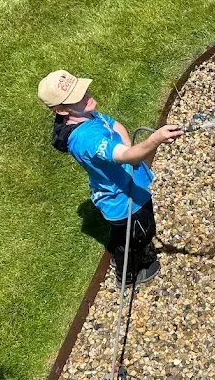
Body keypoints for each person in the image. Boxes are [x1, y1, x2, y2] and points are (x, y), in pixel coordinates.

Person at [37, 70, 183, 286]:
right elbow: (124, 156)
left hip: (128, 187)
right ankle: (128, 274)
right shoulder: (86, 139)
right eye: (78, 97)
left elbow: (114, 125)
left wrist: (128, 151)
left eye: (83, 90)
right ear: (61, 110)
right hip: (123, 201)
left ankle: (124, 245)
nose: (87, 96)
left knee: (128, 233)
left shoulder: (86, 115)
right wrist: (155, 139)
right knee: (138, 237)